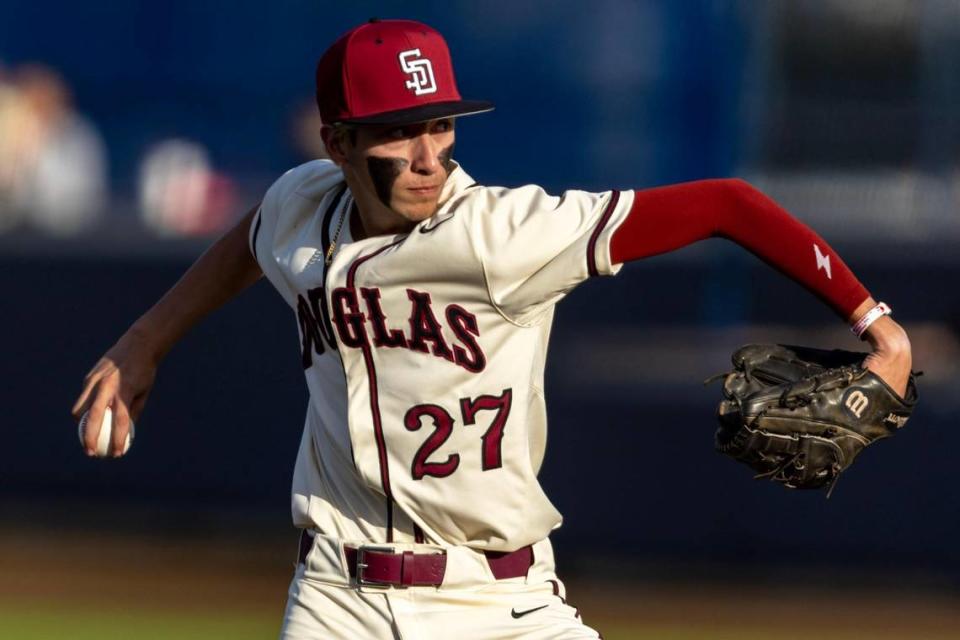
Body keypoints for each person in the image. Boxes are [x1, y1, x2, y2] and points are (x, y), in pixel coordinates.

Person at [72, 19, 913, 639]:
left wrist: (879, 327)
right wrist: (145, 339)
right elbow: (249, 241)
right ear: (337, 141)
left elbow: (729, 204)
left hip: (499, 602)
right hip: (337, 598)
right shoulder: (302, 202)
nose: (429, 153)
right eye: (398, 132)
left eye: (439, 123)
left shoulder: (505, 235)